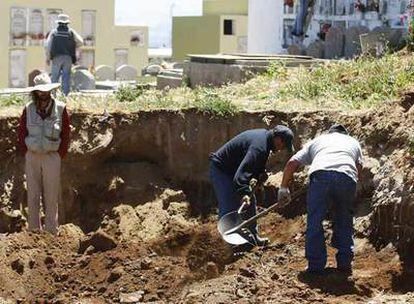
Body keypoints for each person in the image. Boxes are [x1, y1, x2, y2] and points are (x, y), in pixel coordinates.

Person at [279, 124, 363, 274]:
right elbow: (358, 167)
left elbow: (292, 162)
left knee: (315, 220)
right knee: (345, 219)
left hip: (320, 176)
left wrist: (283, 187)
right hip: (347, 176)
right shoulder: (353, 142)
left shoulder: (318, 141)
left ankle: (316, 266)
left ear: (329, 133)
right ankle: (344, 263)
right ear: (345, 134)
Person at [210, 125, 295, 246]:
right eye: (283, 145)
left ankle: (253, 236)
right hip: (222, 170)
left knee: (251, 200)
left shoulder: (265, 141)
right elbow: (241, 174)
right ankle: (223, 246)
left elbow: (253, 164)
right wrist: (244, 192)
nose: (282, 149)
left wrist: (260, 174)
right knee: (229, 204)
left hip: (234, 170)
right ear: (278, 140)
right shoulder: (259, 147)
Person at [18, 73, 71, 234]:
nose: (43, 94)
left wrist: (58, 155)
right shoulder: (28, 109)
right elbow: (21, 132)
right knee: (32, 194)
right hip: (32, 155)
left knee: (51, 195)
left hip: (51, 156)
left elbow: (66, 135)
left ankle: (51, 232)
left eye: (45, 91)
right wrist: (27, 151)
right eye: (40, 92)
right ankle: (33, 231)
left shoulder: (61, 109)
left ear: (50, 91)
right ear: (35, 92)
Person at [46, 14, 83, 96]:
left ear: (58, 23)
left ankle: (53, 95)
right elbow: (81, 42)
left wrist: (48, 58)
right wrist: (72, 45)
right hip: (68, 58)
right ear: (67, 23)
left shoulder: (54, 32)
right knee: (66, 78)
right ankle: (65, 96)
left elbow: (48, 46)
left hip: (56, 57)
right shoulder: (71, 32)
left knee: (54, 78)